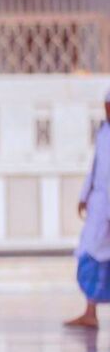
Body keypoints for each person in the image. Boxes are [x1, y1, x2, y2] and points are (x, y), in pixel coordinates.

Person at [67, 90, 110, 330]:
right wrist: (84, 196)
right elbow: (97, 168)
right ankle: (90, 310)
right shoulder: (104, 132)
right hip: (99, 206)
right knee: (90, 254)